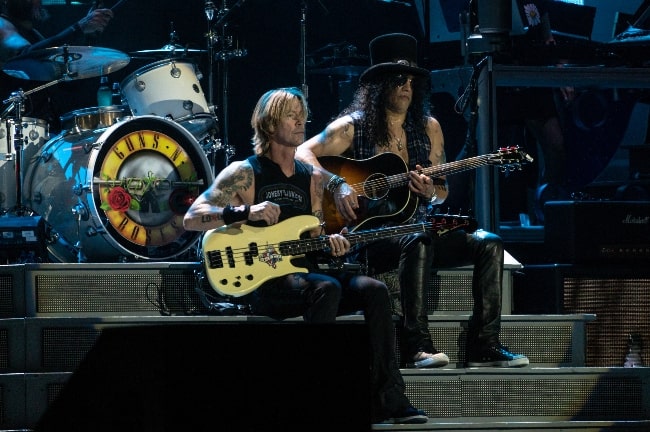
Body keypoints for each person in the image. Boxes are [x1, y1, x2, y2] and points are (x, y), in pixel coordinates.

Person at [183, 87, 428, 424]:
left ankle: (390, 399)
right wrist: (246, 211)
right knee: (325, 288)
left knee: (374, 290)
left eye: (302, 113)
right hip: (265, 282)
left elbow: (315, 235)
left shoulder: (311, 178)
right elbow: (192, 217)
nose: (301, 121)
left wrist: (335, 244)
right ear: (269, 125)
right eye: (291, 115)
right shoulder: (245, 172)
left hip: (308, 274)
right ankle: (317, 396)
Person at [296, 33, 529, 368]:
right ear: (379, 85)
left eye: (410, 80)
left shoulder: (429, 128)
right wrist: (337, 185)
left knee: (488, 243)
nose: (406, 86)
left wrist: (429, 192)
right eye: (397, 79)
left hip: (417, 228)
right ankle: (416, 345)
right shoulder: (353, 127)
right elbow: (304, 153)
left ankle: (485, 345)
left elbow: (442, 190)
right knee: (417, 239)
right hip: (370, 235)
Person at [498, 0, 573, 223]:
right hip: (508, 80)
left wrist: (561, 72)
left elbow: (547, 37)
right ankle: (512, 216)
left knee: (556, 145)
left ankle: (547, 205)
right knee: (511, 155)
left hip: (536, 80)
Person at [0, 0, 114, 127]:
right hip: (13, 134)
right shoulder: (1, 25)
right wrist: (79, 28)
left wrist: (88, 37)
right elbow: (25, 55)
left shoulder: (35, 35)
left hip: (41, 129)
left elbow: (69, 84)